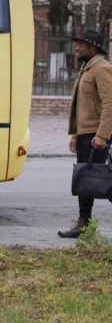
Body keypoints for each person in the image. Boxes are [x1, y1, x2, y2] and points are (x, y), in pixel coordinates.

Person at [58, 29, 112, 239]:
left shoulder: (102, 68)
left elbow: (109, 104)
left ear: (93, 47)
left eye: (81, 44)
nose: (77, 48)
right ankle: (84, 223)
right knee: (88, 179)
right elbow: (82, 106)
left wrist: (102, 135)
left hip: (96, 135)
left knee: (98, 180)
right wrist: (75, 135)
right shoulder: (86, 68)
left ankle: (83, 223)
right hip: (86, 134)